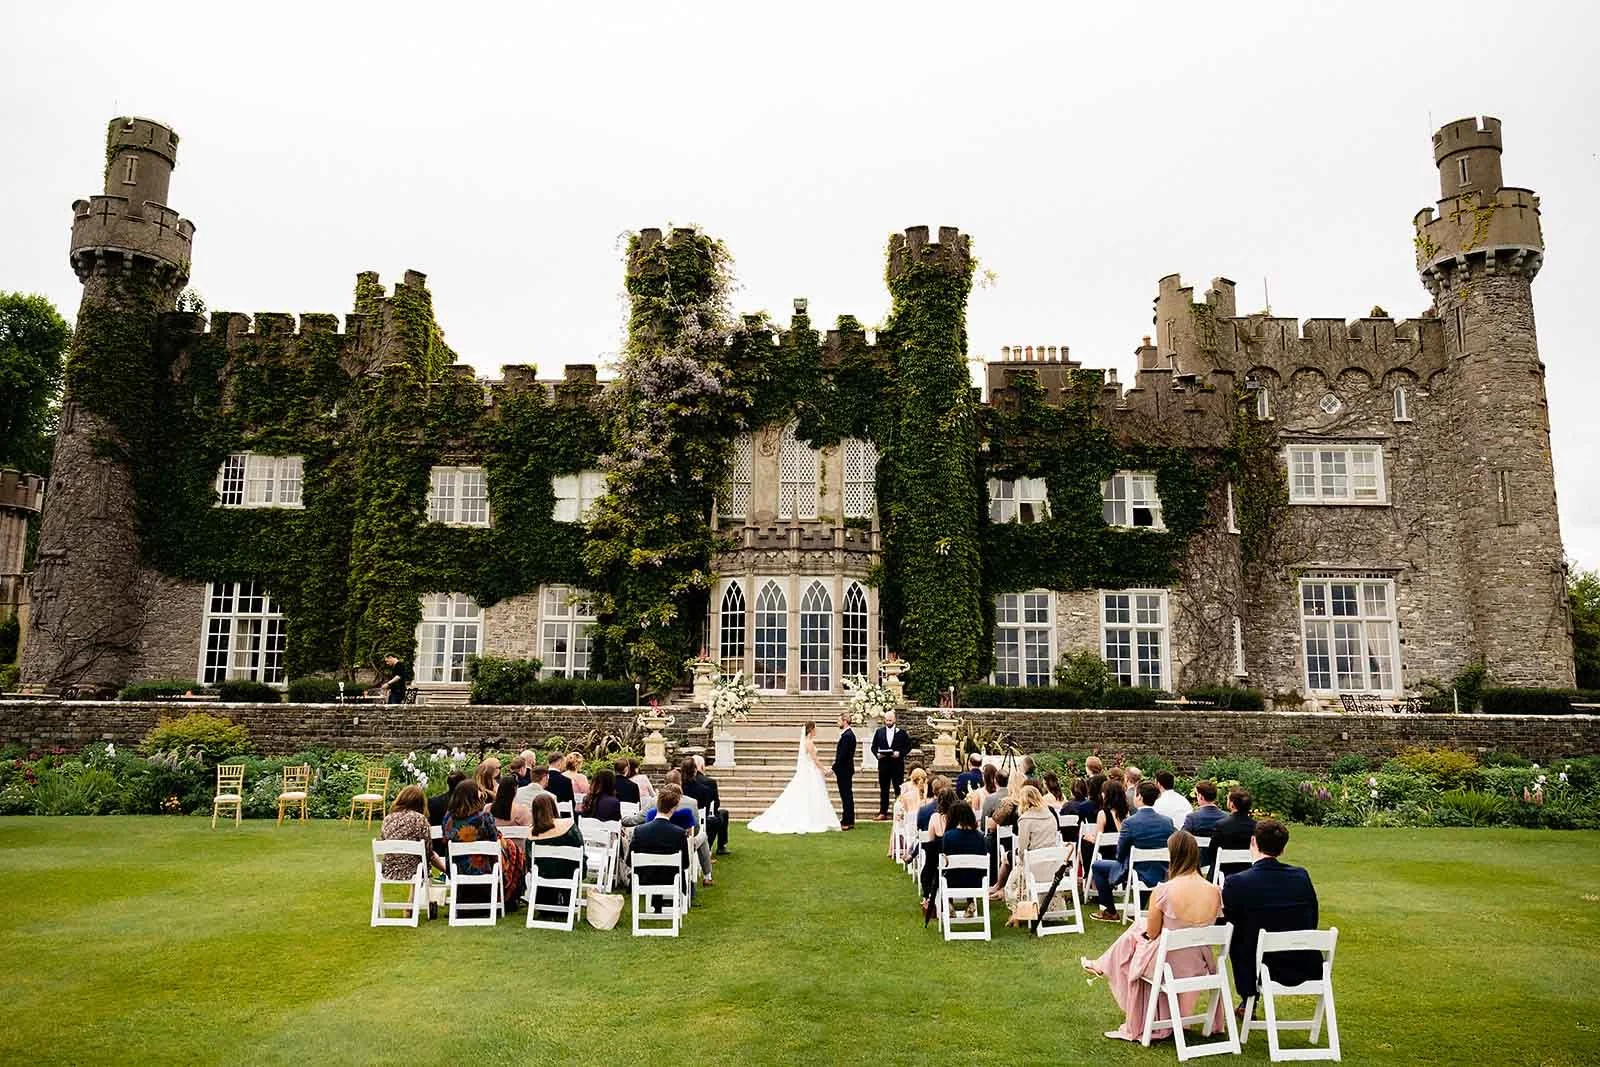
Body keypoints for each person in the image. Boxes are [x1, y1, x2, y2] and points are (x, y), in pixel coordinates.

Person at [1084, 830, 1227, 1042]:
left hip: (1168, 964)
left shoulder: (1164, 891)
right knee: (1138, 932)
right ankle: (1103, 963)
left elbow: (1152, 933)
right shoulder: (1215, 890)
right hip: (1200, 964)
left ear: (1173, 856)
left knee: (1136, 939)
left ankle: (1104, 965)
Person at [1221, 819, 1320, 1019]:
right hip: (1304, 961)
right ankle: (1247, 1001)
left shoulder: (1237, 882)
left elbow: (1229, 925)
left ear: (1253, 843)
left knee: (1237, 937)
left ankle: (1248, 997)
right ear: (1282, 849)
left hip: (1261, 965)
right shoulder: (1301, 876)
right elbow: (1312, 917)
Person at [1090, 781, 1173, 922]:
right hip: (1161, 869)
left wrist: (1122, 859)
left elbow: (1120, 852)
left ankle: (1110, 911)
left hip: (1135, 870)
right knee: (1138, 867)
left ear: (1139, 797)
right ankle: (1138, 908)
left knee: (1097, 866)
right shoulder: (1167, 821)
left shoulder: (1130, 822)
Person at [748, 721, 841, 835]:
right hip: (811, 772)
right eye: (815, 729)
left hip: (809, 771)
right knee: (812, 794)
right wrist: (824, 769)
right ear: (811, 730)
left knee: (811, 794)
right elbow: (815, 760)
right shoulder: (809, 743)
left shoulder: (806, 742)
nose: (816, 731)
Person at [630, 783, 691, 912]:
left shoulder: (639, 830)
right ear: (674, 808)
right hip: (671, 878)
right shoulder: (679, 833)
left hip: (645, 878)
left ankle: (656, 905)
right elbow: (685, 864)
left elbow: (630, 861)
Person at [441, 779, 499, 906]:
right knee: (510, 850)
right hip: (481, 867)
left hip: (456, 867)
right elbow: (494, 841)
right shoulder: (483, 818)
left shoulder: (448, 819)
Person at [526, 792, 585, 913]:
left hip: (543, 878)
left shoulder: (531, 834)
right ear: (553, 807)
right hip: (568, 874)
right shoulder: (568, 825)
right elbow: (580, 849)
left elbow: (530, 863)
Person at [1000, 785, 1059, 902]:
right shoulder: (1050, 815)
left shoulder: (1025, 819)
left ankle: (1021, 906)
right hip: (1052, 865)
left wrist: (1020, 859)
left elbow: (1022, 851)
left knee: (1014, 869)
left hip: (1033, 867)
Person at [379, 784, 446, 882]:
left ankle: (413, 897)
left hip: (389, 870)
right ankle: (417, 895)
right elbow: (428, 853)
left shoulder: (388, 819)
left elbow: (384, 841)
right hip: (415, 871)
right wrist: (446, 870)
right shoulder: (420, 820)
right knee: (419, 860)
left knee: (415, 859)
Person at [490, 774, 531, 909]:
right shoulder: (522, 810)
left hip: (495, 855)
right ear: (515, 790)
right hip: (518, 858)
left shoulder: (488, 809)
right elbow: (529, 832)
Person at [919, 787, 960, 915]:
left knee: (929, 861)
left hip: (939, 861)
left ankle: (928, 897)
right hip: (957, 860)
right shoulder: (960, 817)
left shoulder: (935, 817)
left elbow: (930, 839)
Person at [683, 756, 730, 855]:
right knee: (718, 818)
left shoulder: (679, 784)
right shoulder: (708, 784)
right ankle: (717, 847)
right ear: (700, 767)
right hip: (699, 819)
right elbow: (714, 804)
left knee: (721, 814)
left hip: (680, 819)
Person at [871, 710, 912, 820]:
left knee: (898, 788)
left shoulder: (901, 733)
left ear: (894, 720)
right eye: (886, 720)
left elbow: (908, 746)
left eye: (890, 720)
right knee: (884, 789)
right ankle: (883, 812)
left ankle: (900, 811)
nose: (888, 722)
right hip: (883, 764)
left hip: (897, 765)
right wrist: (877, 755)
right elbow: (873, 747)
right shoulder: (879, 732)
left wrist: (900, 753)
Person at [1208, 787, 1258, 876]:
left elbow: (1212, 853)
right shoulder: (1256, 827)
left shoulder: (1221, 825)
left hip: (1224, 872)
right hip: (1249, 871)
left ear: (1232, 804)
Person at [831, 712, 857, 830]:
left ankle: (848, 820)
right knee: (846, 795)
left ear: (845, 721)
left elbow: (842, 755)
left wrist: (833, 768)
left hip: (845, 770)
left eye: (839, 720)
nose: (838, 723)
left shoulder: (847, 736)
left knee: (846, 795)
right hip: (845, 769)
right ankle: (848, 819)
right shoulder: (847, 735)